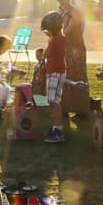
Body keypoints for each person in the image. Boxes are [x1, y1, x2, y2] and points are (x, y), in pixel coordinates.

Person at [60, 0, 90, 116]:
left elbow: (65, 31)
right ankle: (65, 107)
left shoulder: (74, 12)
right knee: (66, 76)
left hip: (76, 48)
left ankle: (81, 109)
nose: (61, 1)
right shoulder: (63, 13)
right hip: (67, 48)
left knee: (78, 76)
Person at [41, 10, 66, 143]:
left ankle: (57, 130)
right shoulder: (62, 39)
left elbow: (46, 54)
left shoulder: (54, 41)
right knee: (57, 100)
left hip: (54, 72)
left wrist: (48, 43)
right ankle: (58, 127)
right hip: (61, 71)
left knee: (52, 101)